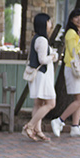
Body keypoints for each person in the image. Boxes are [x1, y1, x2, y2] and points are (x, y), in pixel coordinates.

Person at [51, 8, 80, 138]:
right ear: (71, 19)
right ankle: (59, 120)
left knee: (79, 99)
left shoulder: (79, 33)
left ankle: (75, 127)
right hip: (73, 69)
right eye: (77, 17)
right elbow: (74, 52)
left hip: (79, 70)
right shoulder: (71, 33)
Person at [23, 13, 59, 141]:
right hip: (42, 76)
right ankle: (31, 126)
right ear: (44, 23)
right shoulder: (42, 40)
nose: (50, 24)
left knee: (38, 104)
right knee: (51, 103)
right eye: (49, 22)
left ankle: (38, 130)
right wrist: (53, 56)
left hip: (39, 75)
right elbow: (42, 59)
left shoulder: (37, 38)